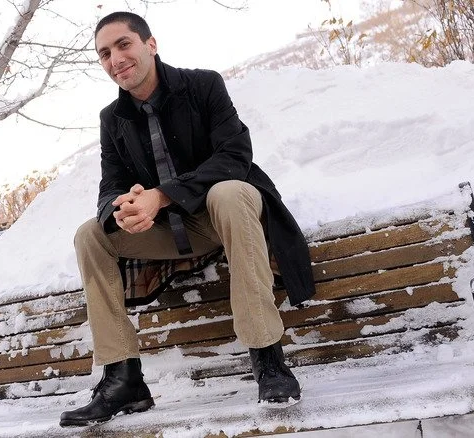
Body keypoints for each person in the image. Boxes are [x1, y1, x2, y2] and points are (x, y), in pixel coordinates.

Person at [60, 12, 315, 427]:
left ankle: (268, 358)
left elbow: (235, 156)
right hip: (172, 233)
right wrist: (123, 207)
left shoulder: (203, 85)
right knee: (91, 234)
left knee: (229, 192)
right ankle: (123, 379)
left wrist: (162, 196)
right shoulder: (113, 118)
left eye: (123, 45)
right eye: (104, 54)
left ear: (150, 44)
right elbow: (110, 186)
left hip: (228, 216)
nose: (115, 59)